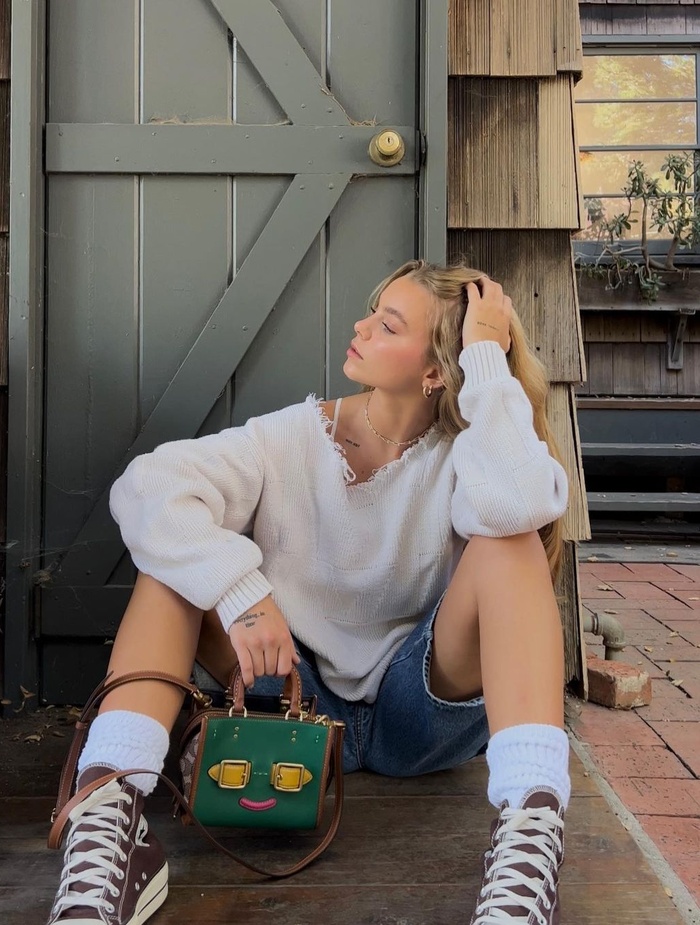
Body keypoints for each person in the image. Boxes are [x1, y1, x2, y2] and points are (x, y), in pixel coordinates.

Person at [46, 260, 571, 925]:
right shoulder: (291, 437)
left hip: (421, 713)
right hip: (289, 697)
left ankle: (528, 849)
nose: (361, 327)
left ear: (437, 370)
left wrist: (488, 363)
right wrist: (240, 592)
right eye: (372, 311)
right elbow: (148, 486)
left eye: (388, 325)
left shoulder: (471, 453)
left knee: (509, 539)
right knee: (171, 563)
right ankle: (110, 827)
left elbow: (518, 504)